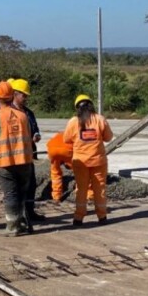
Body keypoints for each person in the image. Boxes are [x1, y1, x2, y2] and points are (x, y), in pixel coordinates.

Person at [0, 81, 34, 237]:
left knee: (10, 194)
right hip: (24, 161)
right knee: (21, 193)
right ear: (12, 96)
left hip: (5, 163)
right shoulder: (23, 116)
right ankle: (23, 222)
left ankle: (12, 226)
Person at [64, 95, 113, 227]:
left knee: (81, 189)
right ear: (91, 105)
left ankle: (78, 218)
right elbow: (108, 138)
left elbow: (66, 139)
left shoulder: (73, 122)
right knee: (100, 188)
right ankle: (102, 217)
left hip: (80, 162)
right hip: (98, 161)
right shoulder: (100, 119)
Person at [11, 78, 45, 221]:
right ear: (15, 93)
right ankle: (16, 216)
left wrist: (36, 135)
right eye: (23, 95)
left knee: (30, 184)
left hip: (28, 155)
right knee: (14, 187)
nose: (25, 98)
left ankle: (29, 212)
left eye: (26, 96)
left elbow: (34, 128)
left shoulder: (28, 113)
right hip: (12, 156)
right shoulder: (7, 112)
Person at [46, 132, 93, 203]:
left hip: (52, 150)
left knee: (55, 173)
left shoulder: (62, 135)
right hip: (67, 149)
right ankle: (88, 195)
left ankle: (56, 197)